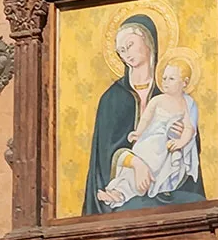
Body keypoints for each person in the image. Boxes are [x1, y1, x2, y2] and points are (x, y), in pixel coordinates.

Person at [83, 17, 206, 214]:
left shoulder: (174, 95)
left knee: (192, 203)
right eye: (121, 50)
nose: (126, 54)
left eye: (130, 45)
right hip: (128, 185)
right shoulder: (111, 98)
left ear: (148, 41)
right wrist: (137, 164)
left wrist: (182, 136)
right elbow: (105, 154)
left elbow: (192, 145)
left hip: (168, 182)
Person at [97, 62, 199, 207]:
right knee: (134, 169)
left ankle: (122, 193)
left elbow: (190, 129)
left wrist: (180, 143)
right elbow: (145, 118)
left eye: (171, 79)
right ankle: (118, 192)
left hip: (165, 149)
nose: (165, 82)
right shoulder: (156, 100)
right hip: (149, 142)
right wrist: (138, 133)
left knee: (152, 171)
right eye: (164, 78)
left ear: (185, 82)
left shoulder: (187, 104)